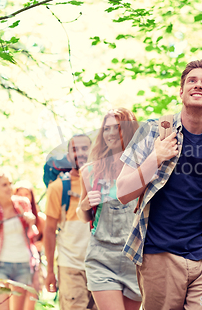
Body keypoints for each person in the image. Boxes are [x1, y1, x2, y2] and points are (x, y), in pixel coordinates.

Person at [116, 59, 202, 310]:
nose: (198, 85)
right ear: (181, 91)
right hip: (159, 254)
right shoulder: (153, 131)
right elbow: (122, 192)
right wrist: (155, 158)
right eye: (192, 81)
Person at [77, 108, 141, 310]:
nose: (111, 133)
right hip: (101, 257)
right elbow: (82, 214)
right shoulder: (90, 171)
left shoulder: (143, 169)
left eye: (117, 128)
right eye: (107, 129)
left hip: (135, 259)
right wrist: (84, 205)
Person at [44, 134, 97, 310]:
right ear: (68, 156)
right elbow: (49, 231)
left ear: (92, 151)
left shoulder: (101, 184)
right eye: (75, 149)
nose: (80, 153)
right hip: (70, 267)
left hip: (100, 267)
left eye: (84, 148)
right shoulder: (58, 188)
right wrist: (50, 271)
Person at [0, 172, 39, 310]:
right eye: (4, 185)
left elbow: (32, 235)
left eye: (10, 184)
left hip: (23, 264)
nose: (9, 187)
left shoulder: (22, 204)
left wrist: (31, 222)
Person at [14, 180, 46, 310]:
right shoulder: (11, 220)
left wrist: (41, 243)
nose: (23, 197)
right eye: (19, 194)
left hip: (34, 267)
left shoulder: (40, 219)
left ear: (31, 197)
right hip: (15, 266)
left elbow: (48, 238)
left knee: (30, 303)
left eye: (26, 194)